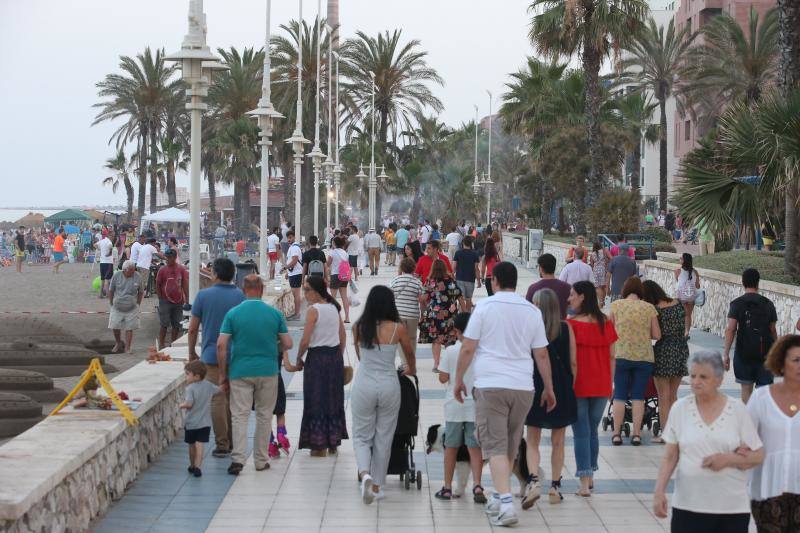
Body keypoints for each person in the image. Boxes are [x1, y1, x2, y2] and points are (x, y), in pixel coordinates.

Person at [453, 262, 555, 527]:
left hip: (491, 386)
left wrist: (458, 380)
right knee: (510, 444)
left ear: (495, 281)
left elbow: (467, 348)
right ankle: (499, 496)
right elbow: (541, 353)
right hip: (523, 387)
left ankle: (507, 506)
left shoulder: (484, 308)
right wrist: (549, 387)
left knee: (496, 447)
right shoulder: (531, 311)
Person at [653, 351, 764, 533]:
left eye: (703, 377)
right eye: (693, 376)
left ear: (719, 380)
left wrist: (728, 459)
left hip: (731, 508)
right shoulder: (680, 408)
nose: (696, 382)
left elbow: (758, 454)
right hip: (688, 505)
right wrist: (659, 491)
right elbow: (670, 456)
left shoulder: (737, 410)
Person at [217, 275, 293, 475]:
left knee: (239, 416)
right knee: (264, 415)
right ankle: (260, 460)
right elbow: (288, 344)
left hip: (240, 371)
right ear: (261, 289)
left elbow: (221, 345)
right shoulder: (274, 314)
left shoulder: (233, 314)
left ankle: (238, 459)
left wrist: (223, 374)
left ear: (244, 290)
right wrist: (273, 344)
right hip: (268, 371)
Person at [351, 286, 416, 504]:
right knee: (384, 436)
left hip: (364, 384)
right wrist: (410, 369)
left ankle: (364, 474)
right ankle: (377, 485)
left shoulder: (359, 327)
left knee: (361, 435)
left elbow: (360, 356)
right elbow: (409, 353)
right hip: (389, 384)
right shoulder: (398, 328)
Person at [522, 289, 577, 509]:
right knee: (559, 440)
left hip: (535, 385)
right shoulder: (566, 328)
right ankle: (555, 486)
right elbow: (573, 363)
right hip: (562, 386)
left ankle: (534, 480)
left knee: (532, 439)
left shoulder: (529, 328)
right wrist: (570, 387)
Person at [188, 258, 245, 458]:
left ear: (216, 274)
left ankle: (222, 443)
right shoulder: (240, 296)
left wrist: (191, 353)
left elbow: (193, 328)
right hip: (235, 356)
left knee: (217, 400)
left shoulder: (203, 296)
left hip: (211, 356)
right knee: (233, 400)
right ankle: (232, 441)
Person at [567, 280, 618, 496]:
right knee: (592, 431)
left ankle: (584, 483)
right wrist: (611, 383)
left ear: (582, 297)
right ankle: (592, 476)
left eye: (572, 295)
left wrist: (569, 385)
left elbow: (573, 362)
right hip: (602, 383)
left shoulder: (571, 324)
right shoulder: (605, 322)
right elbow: (612, 356)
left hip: (579, 384)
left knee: (581, 433)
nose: (569, 298)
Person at [747, 335, 800, 532]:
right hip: (768, 489)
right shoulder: (761, 398)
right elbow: (745, 440)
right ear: (781, 363)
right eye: (796, 360)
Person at [291, 276, 348, 456]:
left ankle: (318, 444)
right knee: (333, 398)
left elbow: (305, 340)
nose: (305, 293)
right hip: (334, 358)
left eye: (307, 289)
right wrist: (337, 354)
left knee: (315, 399)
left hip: (317, 359)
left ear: (315, 291)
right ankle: (333, 441)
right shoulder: (333, 308)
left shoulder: (313, 310)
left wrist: (299, 358)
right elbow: (342, 336)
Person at [435, 312, 487, 503]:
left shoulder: (450, 351)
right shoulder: (480, 350)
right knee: (475, 448)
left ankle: (447, 487)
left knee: (451, 447)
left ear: (456, 331)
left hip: (454, 405)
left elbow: (443, 377)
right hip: (475, 405)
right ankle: (478, 484)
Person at [609, 277, 661, 446]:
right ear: (640, 291)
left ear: (625, 290)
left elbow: (609, 330)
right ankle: (637, 434)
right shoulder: (649, 308)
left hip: (621, 355)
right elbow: (657, 335)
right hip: (643, 357)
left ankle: (616, 434)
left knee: (620, 396)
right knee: (639, 396)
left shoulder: (617, 305)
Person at [643, 280, 690, 444]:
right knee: (673, 395)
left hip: (664, 351)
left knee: (663, 396)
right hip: (681, 349)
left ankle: (666, 434)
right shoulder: (677, 303)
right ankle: (677, 431)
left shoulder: (655, 310)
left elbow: (655, 334)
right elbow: (683, 326)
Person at [723, 268, 778, 404]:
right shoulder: (768, 304)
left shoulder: (736, 304)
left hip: (743, 353)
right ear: (758, 282)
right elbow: (772, 330)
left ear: (743, 282)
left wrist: (726, 354)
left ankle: (748, 420)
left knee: (746, 390)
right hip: (765, 354)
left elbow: (731, 329)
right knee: (763, 393)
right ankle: (760, 422)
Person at [420, 259, 464, 373]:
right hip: (449, 314)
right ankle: (449, 364)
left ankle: (436, 364)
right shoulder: (450, 281)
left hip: (434, 314)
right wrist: (464, 312)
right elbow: (460, 297)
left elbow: (424, 298)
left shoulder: (430, 281)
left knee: (436, 340)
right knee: (450, 339)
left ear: (433, 269)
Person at [180, 360, 219, 477]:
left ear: (196, 376)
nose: (186, 377)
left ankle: (192, 465)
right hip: (205, 423)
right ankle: (198, 466)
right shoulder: (208, 385)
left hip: (191, 423)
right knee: (200, 444)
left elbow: (189, 404)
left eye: (187, 374)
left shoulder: (190, 388)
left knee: (191, 445)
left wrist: (181, 405)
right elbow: (219, 390)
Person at [389, 257, 424, 367]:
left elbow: (390, 298)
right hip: (413, 314)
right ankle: (411, 361)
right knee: (412, 338)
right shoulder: (417, 282)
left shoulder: (395, 280)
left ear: (402, 268)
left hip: (399, 314)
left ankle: (404, 362)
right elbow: (421, 300)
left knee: (400, 339)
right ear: (414, 268)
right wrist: (423, 314)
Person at [107, 260, 143, 354]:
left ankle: (127, 347)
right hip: (117, 306)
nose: (132, 272)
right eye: (130, 270)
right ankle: (118, 343)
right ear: (124, 270)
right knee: (114, 326)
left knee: (129, 328)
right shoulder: (117, 275)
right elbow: (111, 290)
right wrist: (111, 303)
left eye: (133, 270)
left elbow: (141, 291)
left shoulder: (138, 276)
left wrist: (138, 304)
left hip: (132, 307)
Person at [155, 249, 189, 349]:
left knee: (177, 324)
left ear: (174, 258)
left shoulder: (181, 269)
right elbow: (158, 284)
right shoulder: (162, 270)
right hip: (165, 301)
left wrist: (187, 299)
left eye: (169, 257)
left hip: (178, 301)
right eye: (166, 257)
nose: (167, 259)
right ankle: (161, 344)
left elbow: (185, 284)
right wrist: (160, 298)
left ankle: (173, 344)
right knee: (164, 324)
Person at [526, 254, 571, 319]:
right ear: (554, 268)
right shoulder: (567, 287)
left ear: (541, 268)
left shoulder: (533, 288)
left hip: (540, 327)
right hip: (561, 326)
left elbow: (528, 312)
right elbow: (572, 310)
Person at [675, 253, 701, 339]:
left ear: (683, 261)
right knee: (688, 315)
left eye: (681, 258)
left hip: (681, 296)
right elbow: (697, 286)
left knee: (681, 314)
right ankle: (686, 332)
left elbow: (678, 283)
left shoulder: (678, 271)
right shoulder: (695, 272)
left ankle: (681, 331)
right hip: (691, 296)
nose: (679, 259)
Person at [325, 235, 351, 323]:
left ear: (334, 243)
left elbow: (328, 264)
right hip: (344, 277)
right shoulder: (345, 253)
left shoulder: (332, 252)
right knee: (344, 298)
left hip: (335, 276)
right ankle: (347, 318)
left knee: (332, 298)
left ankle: (333, 317)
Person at [452, 235, 481, 312]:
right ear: (471, 243)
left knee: (460, 299)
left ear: (463, 243)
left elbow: (454, 267)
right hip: (470, 280)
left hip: (459, 279)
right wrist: (479, 281)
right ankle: (467, 317)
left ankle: (460, 315)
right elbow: (476, 269)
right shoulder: (475, 254)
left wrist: (452, 277)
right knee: (468, 299)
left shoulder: (458, 253)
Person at [280, 230, 304, 321]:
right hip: (294, 273)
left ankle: (297, 314)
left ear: (294, 237)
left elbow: (294, 261)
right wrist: (288, 273)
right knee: (295, 295)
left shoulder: (294, 248)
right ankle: (297, 313)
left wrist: (285, 268)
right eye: (288, 238)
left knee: (296, 295)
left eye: (290, 237)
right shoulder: (294, 247)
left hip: (296, 274)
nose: (289, 239)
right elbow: (292, 261)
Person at [96, 230, 114, 298]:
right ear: (109, 235)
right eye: (112, 236)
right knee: (107, 279)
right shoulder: (109, 242)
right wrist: (109, 253)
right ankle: (108, 294)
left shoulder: (102, 241)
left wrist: (100, 249)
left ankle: (100, 294)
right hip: (108, 262)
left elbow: (95, 245)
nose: (113, 237)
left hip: (102, 262)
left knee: (102, 279)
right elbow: (110, 248)